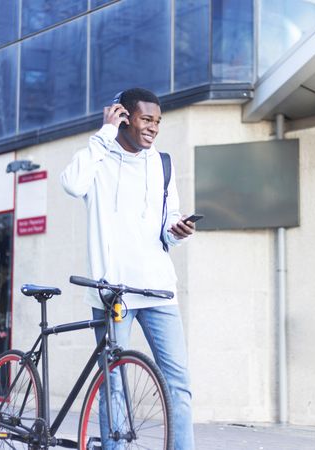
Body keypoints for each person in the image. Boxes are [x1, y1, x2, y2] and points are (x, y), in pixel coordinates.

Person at [60, 87, 196, 449]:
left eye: (157, 121)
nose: (153, 128)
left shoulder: (163, 163)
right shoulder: (98, 158)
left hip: (158, 290)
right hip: (113, 291)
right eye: (145, 119)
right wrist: (104, 134)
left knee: (178, 385)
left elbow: (168, 223)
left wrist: (179, 231)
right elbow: (71, 183)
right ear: (123, 116)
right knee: (113, 386)